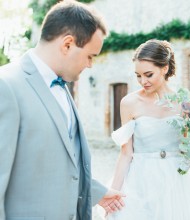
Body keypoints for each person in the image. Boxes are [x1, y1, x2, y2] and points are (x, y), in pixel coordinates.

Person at [0, 1, 124, 219]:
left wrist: (95, 192)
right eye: (90, 56)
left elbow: (56, 162)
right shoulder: (6, 85)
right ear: (67, 44)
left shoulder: (63, 86)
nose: (90, 65)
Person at [107, 39, 190, 220]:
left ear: (165, 68)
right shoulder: (129, 103)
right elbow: (126, 154)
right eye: (138, 75)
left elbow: (186, 152)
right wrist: (113, 192)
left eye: (148, 74)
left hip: (175, 181)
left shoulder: (185, 104)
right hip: (140, 179)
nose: (142, 81)